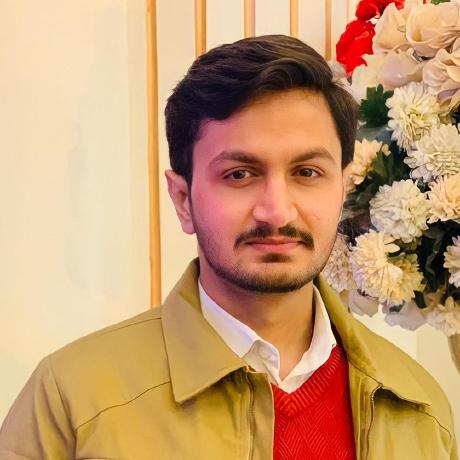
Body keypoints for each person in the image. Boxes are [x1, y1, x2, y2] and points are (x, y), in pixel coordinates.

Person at [0, 34, 457, 460]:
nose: (276, 212)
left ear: (342, 189)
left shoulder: (419, 407)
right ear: (183, 200)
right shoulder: (74, 399)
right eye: (239, 174)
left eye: (307, 173)